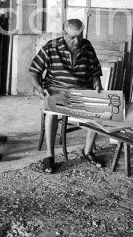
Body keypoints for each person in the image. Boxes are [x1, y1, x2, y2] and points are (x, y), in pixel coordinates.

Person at [29, 18, 104, 173]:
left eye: (79, 36)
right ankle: (49, 156)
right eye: (72, 37)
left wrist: (97, 83)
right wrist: (39, 88)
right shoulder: (52, 46)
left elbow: (95, 72)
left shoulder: (87, 47)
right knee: (51, 111)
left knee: (100, 109)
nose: (76, 41)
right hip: (57, 91)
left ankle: (88, 151)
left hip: (81, 92)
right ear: (64, 33)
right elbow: (34, 71)